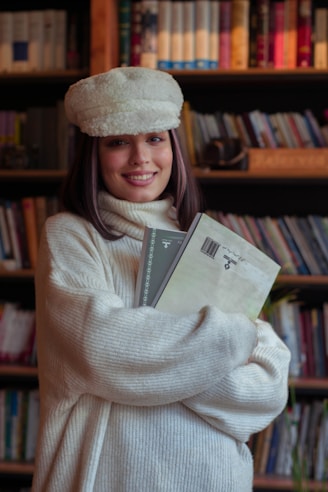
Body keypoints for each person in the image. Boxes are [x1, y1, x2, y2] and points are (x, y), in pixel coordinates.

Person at [32, 66, 291, 492]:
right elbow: (102, 348)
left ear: (173, 145)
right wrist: (229, 339)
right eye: (119, 142)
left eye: (154, 138)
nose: (141, 158)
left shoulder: (210, 245)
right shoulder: (70, 235)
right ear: (93, 153)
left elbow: (268, 386)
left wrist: (157, 367)